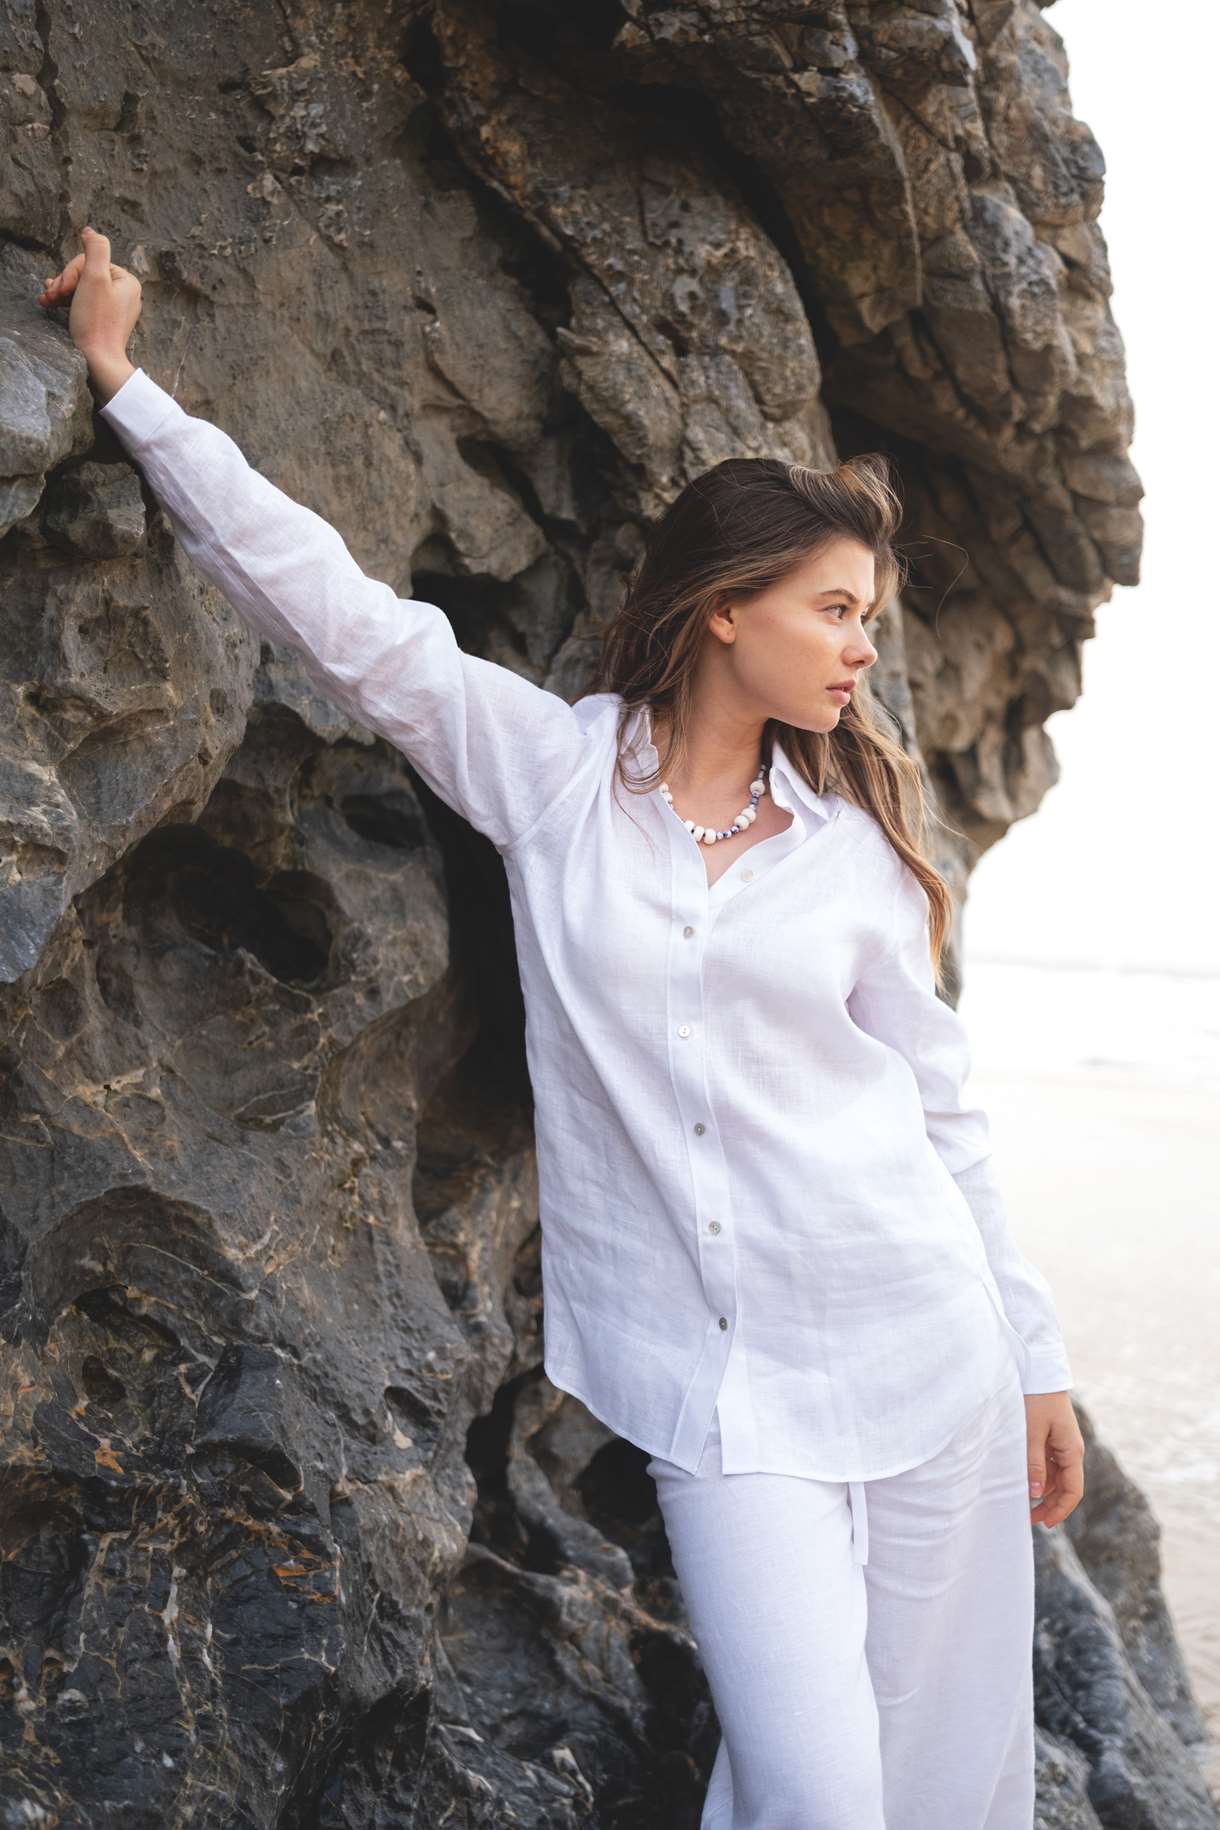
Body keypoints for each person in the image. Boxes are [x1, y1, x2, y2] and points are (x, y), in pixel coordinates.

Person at [38, 228, 1085, 1828]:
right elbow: (341, 615)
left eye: (869, 614)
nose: (866, 647)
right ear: (726, 610)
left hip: (925, 1349)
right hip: (718, 1400)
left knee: (939, 1787)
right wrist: (127, 386)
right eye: (835, 608)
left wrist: (1037, 1360)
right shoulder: (554, 779)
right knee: (819, 1793)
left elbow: (942, 1112)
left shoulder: (861, 857)